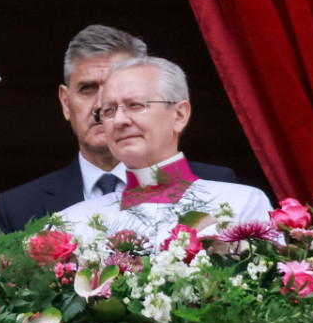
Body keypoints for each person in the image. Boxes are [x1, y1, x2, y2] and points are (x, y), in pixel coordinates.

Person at [0, 25, 235, 233]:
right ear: (66, 103)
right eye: (87, 88)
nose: (102, 106)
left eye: (123, 93)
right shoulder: (19, 207)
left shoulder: (218, 187)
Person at [60, 56, 271, 243]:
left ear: (179, 115)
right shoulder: (74, 223)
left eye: (135, 105)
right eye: (108, 110)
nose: (119, 120)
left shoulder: (242, 205)